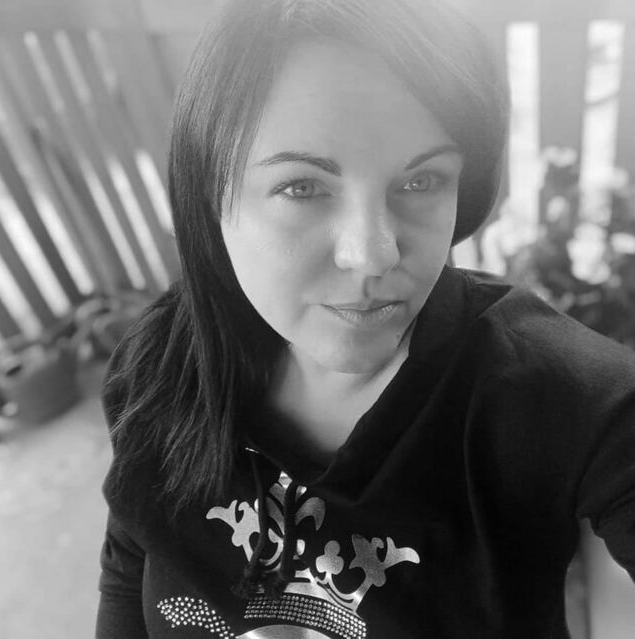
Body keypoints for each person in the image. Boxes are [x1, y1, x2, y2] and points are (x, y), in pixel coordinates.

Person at [95, 0, 635, 637]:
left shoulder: (558, 401)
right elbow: (131, 559)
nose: (374, 254)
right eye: (302, 187)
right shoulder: (159, 364)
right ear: (211, 195)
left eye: (421, 182)